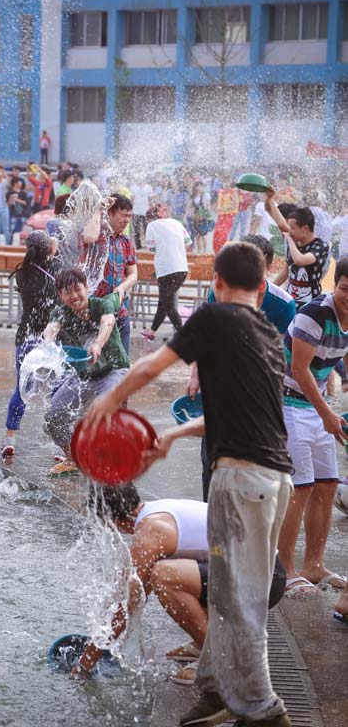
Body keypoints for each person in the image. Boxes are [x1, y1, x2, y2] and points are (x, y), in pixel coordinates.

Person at [85, 241, 293, 727]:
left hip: (241, 481)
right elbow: (243, 414)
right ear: (263, 288)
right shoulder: (266, 332)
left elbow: (151, 365)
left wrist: (107, 402)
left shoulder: (216, 316)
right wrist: (176, 433)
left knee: (237, 598)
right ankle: (215, 689)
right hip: (272, 480)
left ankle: (263, 709)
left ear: (216, 282)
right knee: (226, 593)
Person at [76, 484, 286, 686]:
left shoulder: (151, 532)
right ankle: (206, 640)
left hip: (264, 582)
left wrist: (87, 661)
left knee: (164, 576)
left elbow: (129, 602)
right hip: (261, 573)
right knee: (165, 572)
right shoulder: (155, 513)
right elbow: (137, 592)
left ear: (113, 519)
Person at [188, 233, 297, 501]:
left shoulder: (284, 306)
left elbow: (280, 358)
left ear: (268, 268)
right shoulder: (221, 291)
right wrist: (196, 374)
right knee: (211, 459)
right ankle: (209, 519)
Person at [277, 256, 348, 595]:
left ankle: (314, 565)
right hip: (286, 401)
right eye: (345, 289)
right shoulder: (314, 314)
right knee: (300, 487)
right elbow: (300, 370)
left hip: (315, 403)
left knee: (328, 483)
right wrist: (327, 416)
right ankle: (286, 570)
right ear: (337, 284)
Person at [43, 267, 130, 476]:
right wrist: (47, 344)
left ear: (86, 287)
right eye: (66, 292)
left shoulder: (102, 304)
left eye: (77, 289)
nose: (73, 296)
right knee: (52, 419)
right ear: (60, 296)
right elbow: (51, 328)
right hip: (83, 375)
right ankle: (73, 458)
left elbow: (108, 322)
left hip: (114, 370)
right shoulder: (61, 312)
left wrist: (98, 343)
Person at [1, 231, 58, 458]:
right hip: (49, 339)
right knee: (57, 391)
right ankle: (58, 444)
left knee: (22, 389)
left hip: (25, 337)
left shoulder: (22, 272)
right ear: (49, 250)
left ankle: (9, 438)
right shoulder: (55, 271)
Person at [93, 194, 137, 355]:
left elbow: (133, 273)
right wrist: (99, 210)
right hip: (95, 311)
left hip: (120, 311)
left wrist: (123, 287)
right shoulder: (98, 236)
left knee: (122, 365)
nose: (127, 220)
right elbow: (88, 235)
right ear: (110, 213)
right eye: (123, 216)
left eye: (129, 216)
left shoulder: (126, 242)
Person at [141, 204, 191, 341]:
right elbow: (188, 242)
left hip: (165, 270)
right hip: (181, 269)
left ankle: (183, 335)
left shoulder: (151, 226)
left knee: (167, 304)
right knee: (164, 301)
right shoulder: (176, 223)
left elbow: (151, 249)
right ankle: (151, 331)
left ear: (150, 218)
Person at [268, 201, 329, 309]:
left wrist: (289, 241)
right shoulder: (294, 239)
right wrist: (270, 288)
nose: (290, 231)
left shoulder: (320, 246)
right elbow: (287, 270)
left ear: (305, 228)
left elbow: (299, 260)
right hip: (290, 302)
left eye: (292, 228)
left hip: (310, 305)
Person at [6, 177, 29, 245]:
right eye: (19, 182)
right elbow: (8, 204)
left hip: (23, 214)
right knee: (11, 230)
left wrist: (17, 200)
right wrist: (11, 199)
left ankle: (23, 244)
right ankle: (9, 244)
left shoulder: (23, 193)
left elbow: (25, 203)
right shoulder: (9, 193)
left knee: (24, 231)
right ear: (15, 184)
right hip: (13, 214)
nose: (21, 183)